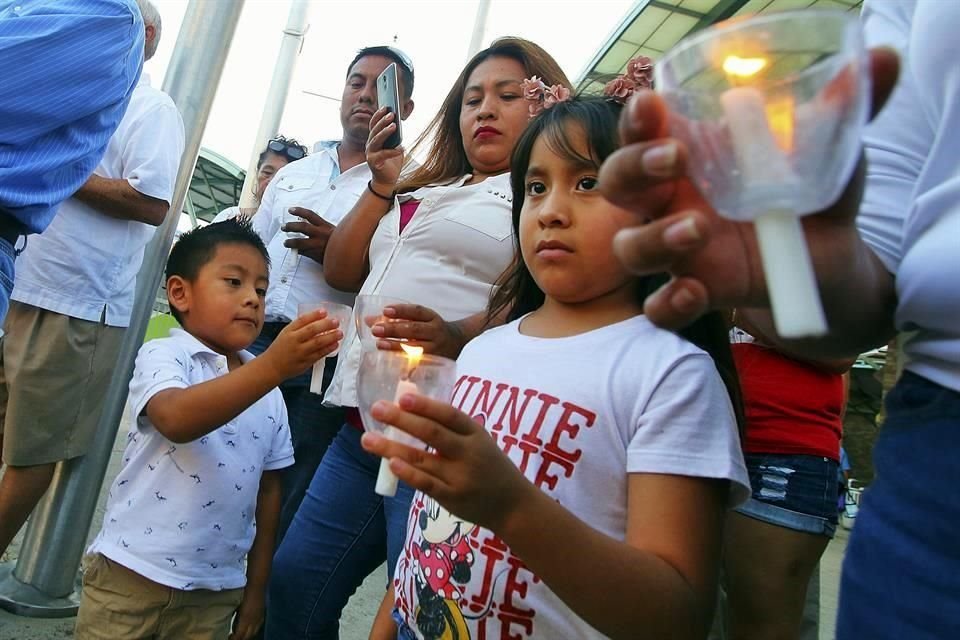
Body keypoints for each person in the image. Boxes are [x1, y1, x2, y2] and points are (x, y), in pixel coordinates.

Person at [597, 0, 960, 636]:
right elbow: (866, 286)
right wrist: (794, 271)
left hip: (794, 446)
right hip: (934, 460)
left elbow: (833, 357)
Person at [361, 96, 750, 640]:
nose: (550, 211)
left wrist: (512, 507)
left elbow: (677, 615)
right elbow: (427, 536)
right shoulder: (483, 351)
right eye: (536, 187)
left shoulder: (671, 376)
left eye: (588, 183)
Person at [267, 37, 570, 639]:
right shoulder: (426, 186)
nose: (485, 111)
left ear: (545, 101)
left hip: (445, 442)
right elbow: (343, 271)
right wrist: (383, 185)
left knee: (420, 615)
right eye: (472, 100)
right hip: (363, 429)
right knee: (293, 583)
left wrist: (459, 334)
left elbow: (542, 297)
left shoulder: (540, 195)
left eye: (508, 95)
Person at [73, 219, 344, 640]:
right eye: (234, 282)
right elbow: (175, 419)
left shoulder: (270, 393)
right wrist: (275, 366)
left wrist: (255, 592)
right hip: (130, 576)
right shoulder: (166, 355)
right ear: (180, 293)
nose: (252, 298)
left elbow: (270, 494)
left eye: (261, 290)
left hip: (215, 594)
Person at [0, 0, 183, 559]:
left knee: (34, 449)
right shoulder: (65, 75)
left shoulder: (152, 107)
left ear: (143, 33)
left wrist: (63, 170)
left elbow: (153, 201)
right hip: (22, 282)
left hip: (77, 301)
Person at [246, 47, 415, 547]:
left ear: (405, 108)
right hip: (254, 342)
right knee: (223, 464)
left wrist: (341, 254)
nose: (364, 96)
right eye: (355, 82)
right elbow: (252, 254)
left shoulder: (410, 187)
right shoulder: (295, 173)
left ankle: (258, 593)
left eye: (381, 88)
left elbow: (400, 279)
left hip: (326, 358)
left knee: (286, 493)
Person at [0, 0, 144, 325]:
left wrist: (81, 183)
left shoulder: (110, 14)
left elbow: (152, 198)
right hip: (39, 279)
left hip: (72, 290)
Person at [722, 313, 853, 640]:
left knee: (764, 620)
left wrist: (743, 311)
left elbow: (841, 352)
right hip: (701, 437)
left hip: (778, 453)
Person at [212, 136, 309, 223]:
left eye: (283, 178)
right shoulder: (229, 217)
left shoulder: (301, 229)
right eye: (267, 173)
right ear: (257, 173)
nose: (272, 182)